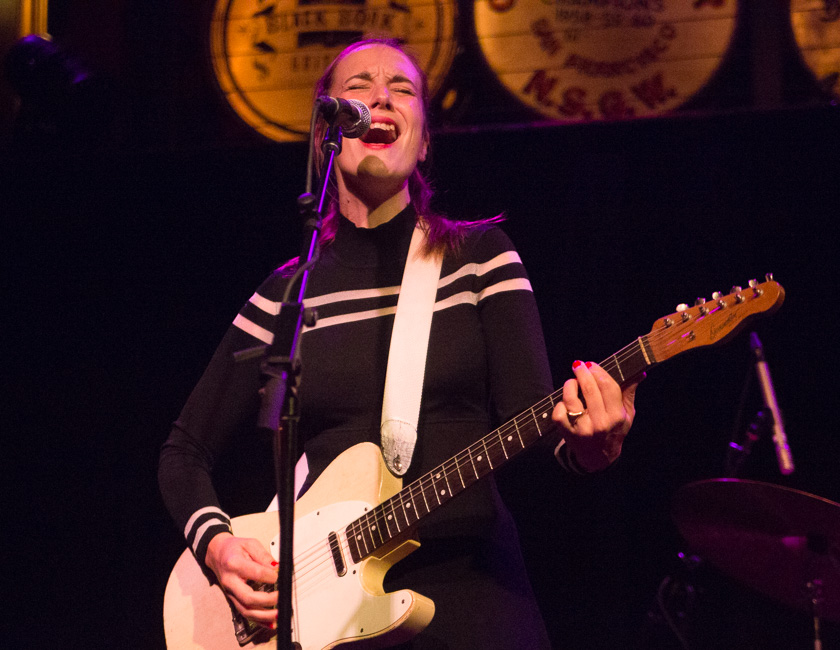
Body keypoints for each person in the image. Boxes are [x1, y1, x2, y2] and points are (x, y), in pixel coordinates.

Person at [158, 38, 639, 649]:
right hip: (318, 614)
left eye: (403, 89)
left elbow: (538, 428)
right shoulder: (287, 294)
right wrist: (220, 547)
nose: (380, 96)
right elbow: (184, 451)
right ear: (324, 135)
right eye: (358, 86)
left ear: (425, 140)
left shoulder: (479, 261)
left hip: (471, 597)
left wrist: (594, 447)